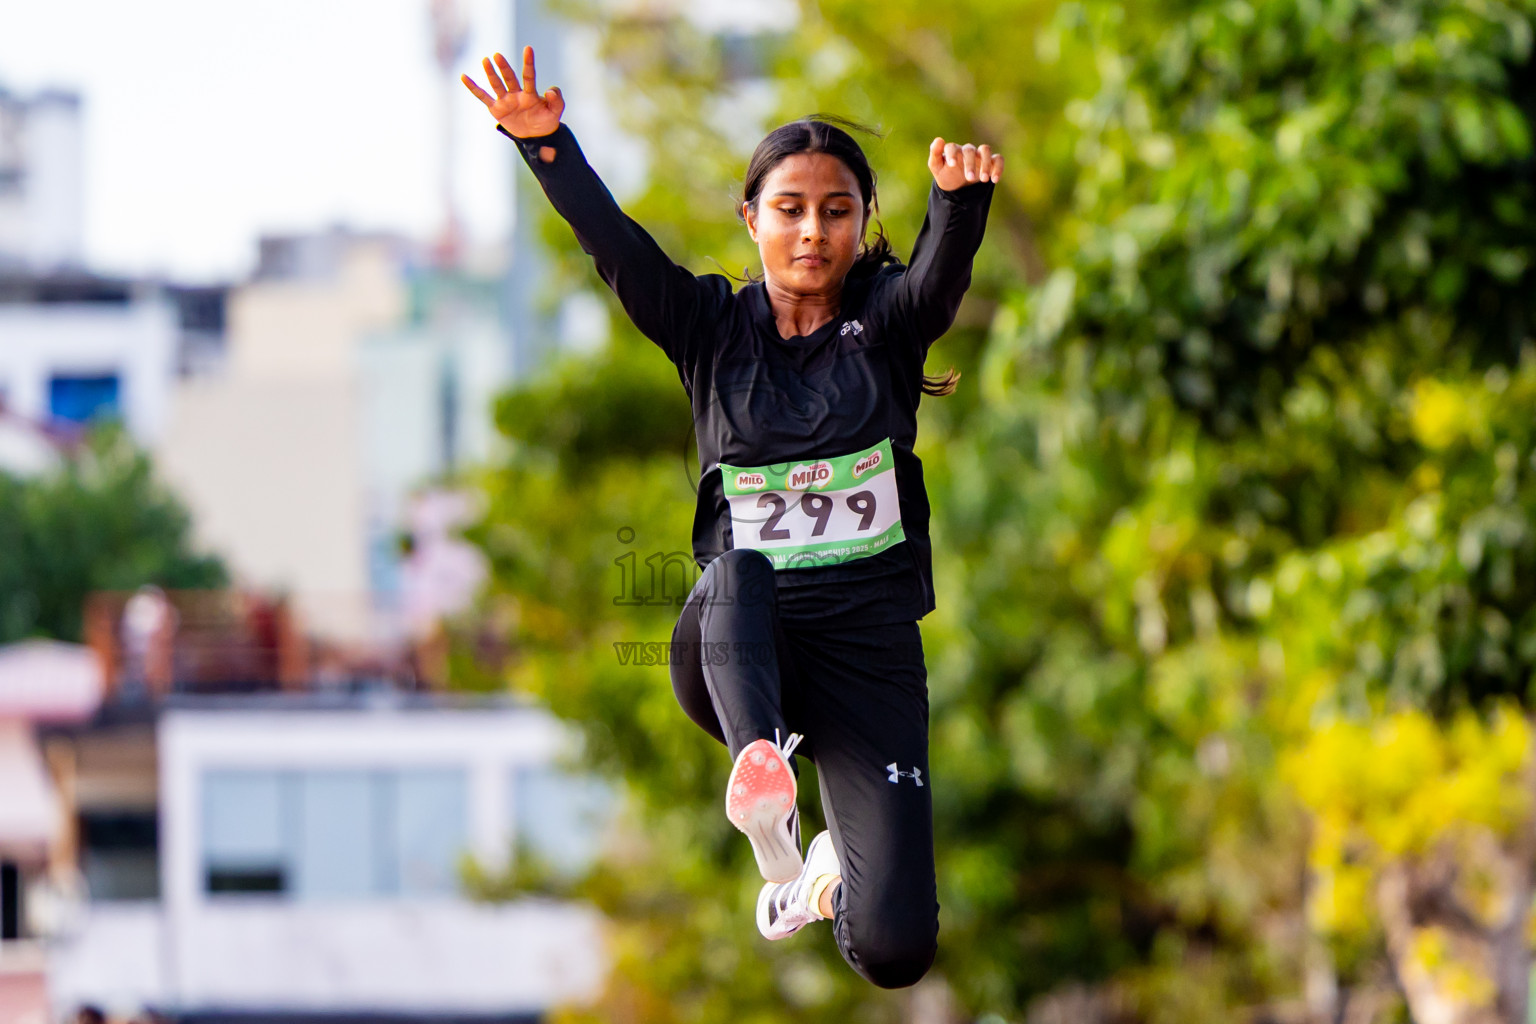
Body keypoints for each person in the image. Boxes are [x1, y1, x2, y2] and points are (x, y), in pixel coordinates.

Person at [463, 46, 1000, 990]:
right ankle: (763, 777)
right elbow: (617, 248)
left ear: (863, 221)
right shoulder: (709, 328)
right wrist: (548, 148)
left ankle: (812, 881)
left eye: (837, 211)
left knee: (898, 949)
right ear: (752, 220)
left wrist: (959, 204)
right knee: (742, 569)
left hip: (869, 656)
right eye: (790, 210)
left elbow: (937, 281)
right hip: (740, 651)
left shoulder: (886, 325)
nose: (813, 232)